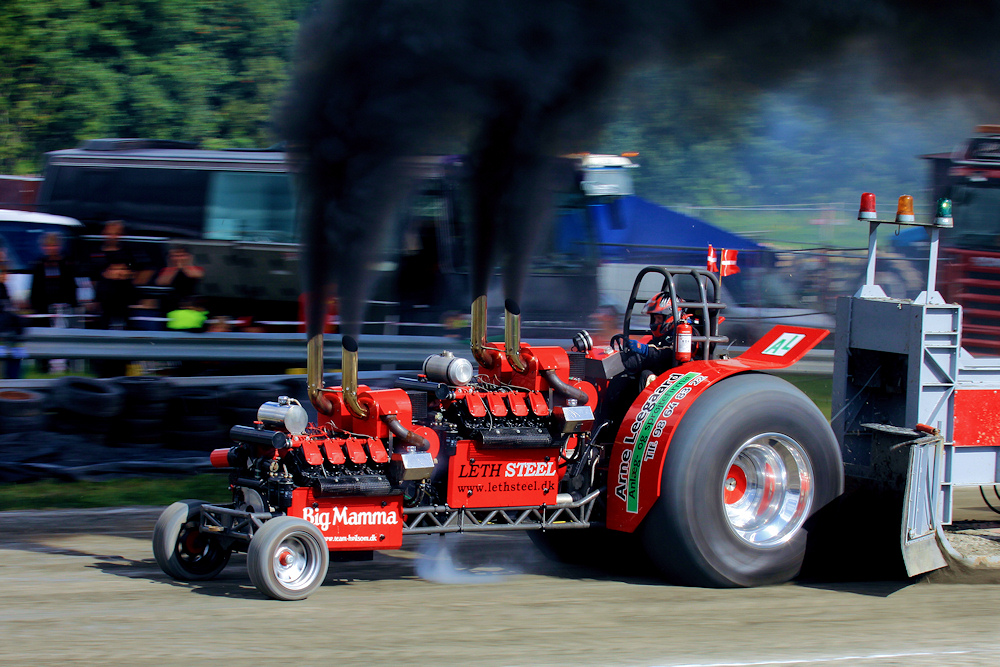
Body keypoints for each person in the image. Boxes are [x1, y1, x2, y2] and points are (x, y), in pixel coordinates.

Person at [87, 220, 151, 329]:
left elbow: (148, 269)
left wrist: (129, 277)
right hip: (103, 300)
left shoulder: (130, 251)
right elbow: (90, 276)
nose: (113, 237)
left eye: (116, 233)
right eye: (109, 233)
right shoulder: (95, 252)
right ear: (103, 234)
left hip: (125, 299)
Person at [154, 245, 204, 315]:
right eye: (175, 256)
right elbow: (161, 282)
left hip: (191, 301)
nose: (178, 258)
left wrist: (185, 265)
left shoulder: (197, 268)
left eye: (181, 255)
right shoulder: (166, 270)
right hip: (171, 302)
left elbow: (196, 275)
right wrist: (173, 267)